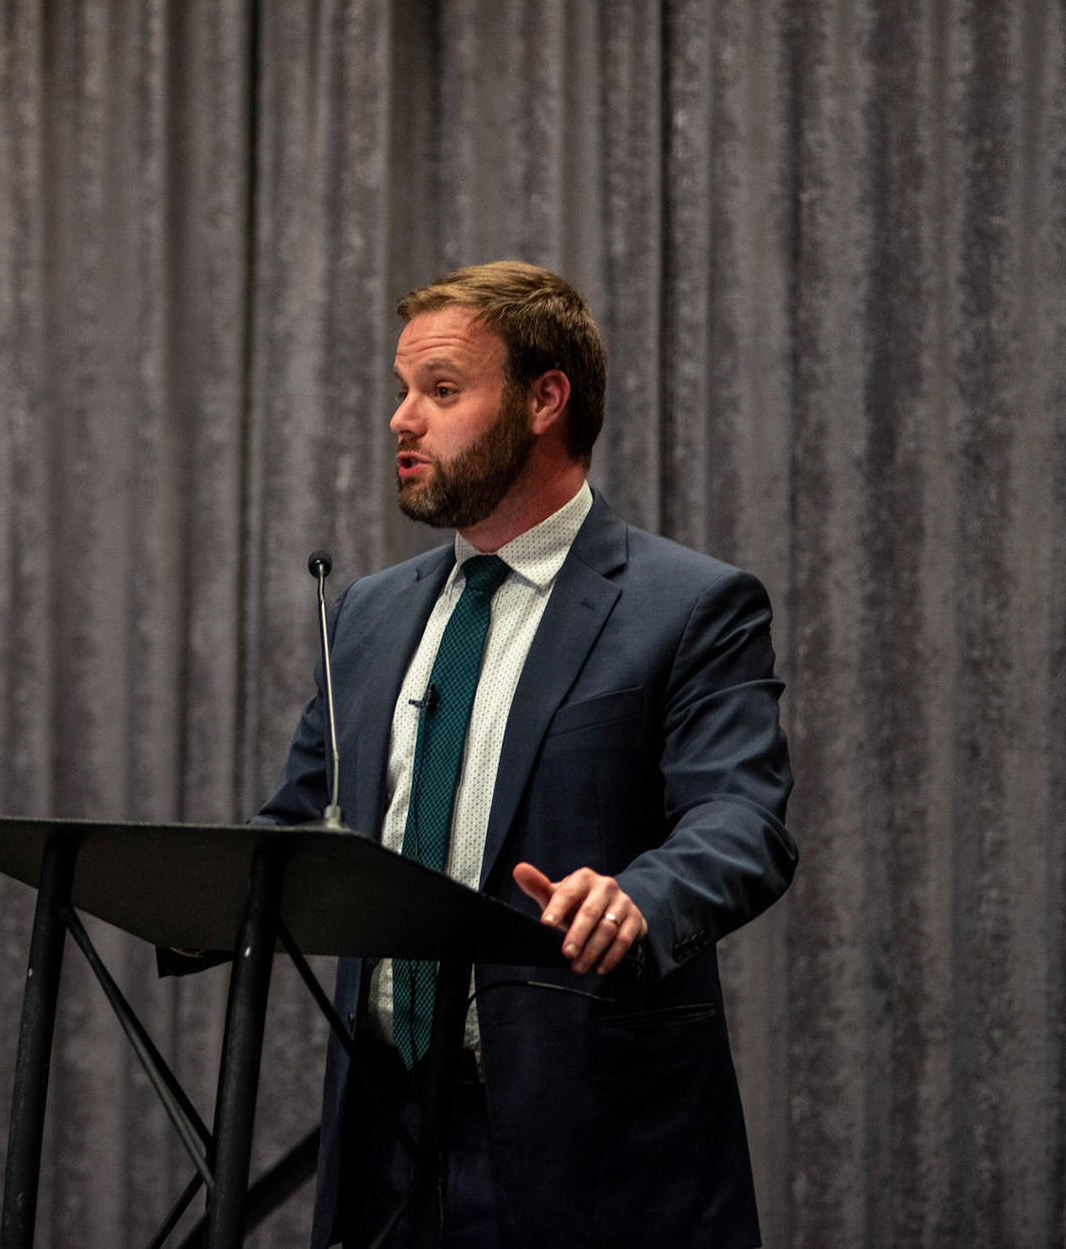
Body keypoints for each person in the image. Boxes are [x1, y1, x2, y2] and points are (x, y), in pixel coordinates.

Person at [257, 262, 797, 1249]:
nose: (401, 419)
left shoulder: (689, 606)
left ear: (546, 399)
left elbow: (742, 821)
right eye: (402, 388)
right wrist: (177, 889)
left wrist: (640, 898)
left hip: (588, 1145)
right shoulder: (368, 613)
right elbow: (299, 824)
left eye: (441, 389)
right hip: (383, 1133)